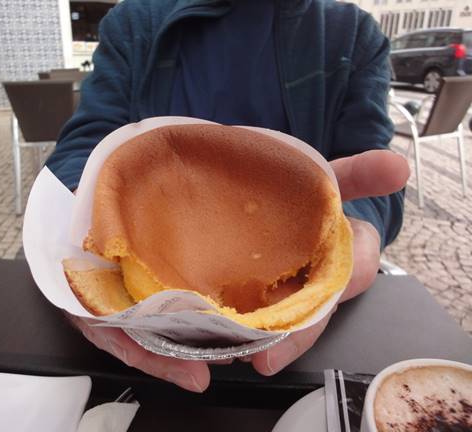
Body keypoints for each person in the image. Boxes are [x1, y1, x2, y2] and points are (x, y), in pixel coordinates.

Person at [46, 0, 411, 392]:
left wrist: (359, 226)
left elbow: (373, 179)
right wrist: (69, 228)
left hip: (306, 352)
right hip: (128, 348)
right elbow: (84, 147)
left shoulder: (351, 37)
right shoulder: (135, 23)